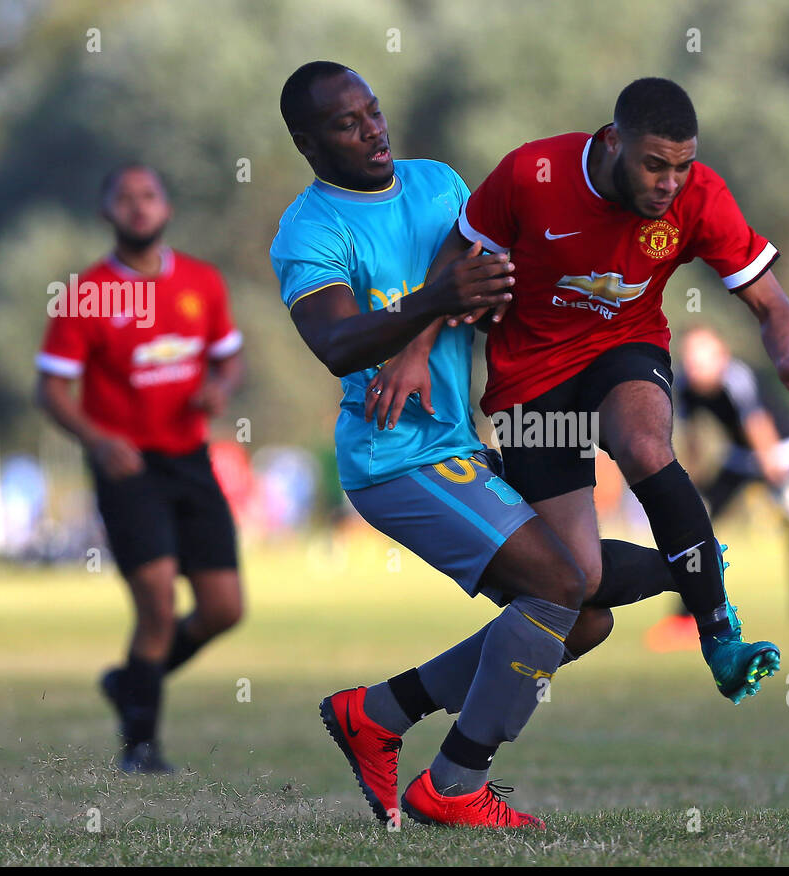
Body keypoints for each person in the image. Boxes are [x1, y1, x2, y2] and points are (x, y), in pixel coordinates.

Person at [270, 62, 672, 830]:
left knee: (580, 618)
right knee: (559, 585)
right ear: (306, 142)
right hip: (395, 458)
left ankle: (379, 713)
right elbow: (333, 341)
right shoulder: (310, 229)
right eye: (347, 124)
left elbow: (489, 292)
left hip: (460, 444)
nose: (373, 129)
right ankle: (453, 786)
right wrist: (437, 301)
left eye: (374, 111)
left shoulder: (438, 184)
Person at [407, 77, 789, 703]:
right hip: (529, 377)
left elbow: (770, 303)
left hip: (625, 346)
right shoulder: (531, 174)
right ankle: (693, 559)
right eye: (655, 165)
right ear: (613, 141)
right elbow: (455, 256)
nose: (670, 183)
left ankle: (719, 635)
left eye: (682, 166)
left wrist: (786, 358)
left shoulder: (699, 197)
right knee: (577, 579)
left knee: (646, 446)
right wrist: (414, 352)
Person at [36, 164, 245, 773]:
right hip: (128, 467)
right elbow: (50, 390)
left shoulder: (202, 282)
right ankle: (141, 744)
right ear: (106, 212)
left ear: (167, 207)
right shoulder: (85, 295)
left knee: (223, 610)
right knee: (155, 600)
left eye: (148, 195)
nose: (137, 206)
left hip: (191, 459)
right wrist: (98, 440)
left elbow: (228, 361)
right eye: (123, 197)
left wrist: (219, 388)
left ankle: (130, 682)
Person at [646, 326, 789, 652]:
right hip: (741, 457)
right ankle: (683, 618)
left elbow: (759, 430)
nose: (695, 365)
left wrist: (786, 483)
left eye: (703, 358)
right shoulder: (688, 387)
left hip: (783, 451)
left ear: (722, 357)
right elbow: (692, 437)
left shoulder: (737, 378)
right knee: (693, 531)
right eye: (691, 358)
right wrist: (690, 487)